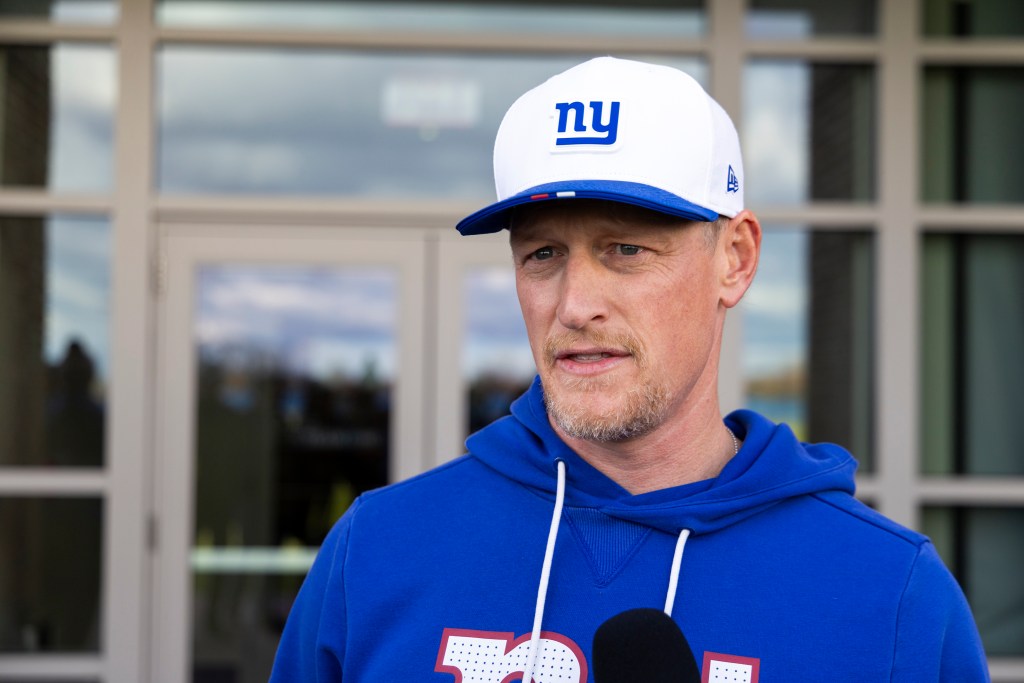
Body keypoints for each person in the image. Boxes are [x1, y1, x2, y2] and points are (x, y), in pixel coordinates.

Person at [270, 57, 989, 682]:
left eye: (626, 250)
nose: (576, 305)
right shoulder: (377, 554)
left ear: (734, 260)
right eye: (542, 254)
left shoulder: (888, 595)